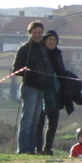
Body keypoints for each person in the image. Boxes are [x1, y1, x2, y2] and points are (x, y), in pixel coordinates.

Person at [13, 20, 56, 154]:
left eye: (40, 32)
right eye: (35, 32)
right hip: (29, 88)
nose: (37, 35)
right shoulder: (24, 49)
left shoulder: (43, 49)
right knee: (27, 120)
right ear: (30, 33)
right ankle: (23, 149)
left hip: (41, 90)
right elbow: (16, 69)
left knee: (35, 121)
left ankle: (31, 149)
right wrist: (31, 73)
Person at [35, 30, 63, 156]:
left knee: (53, 122)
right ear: (45, 40)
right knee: (39, 122)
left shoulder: (58, 54)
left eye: (54, 40)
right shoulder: (40, 53)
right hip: (41, 91)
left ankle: (48, 148)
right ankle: (38, 148)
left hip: (56, 93)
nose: (52, 42)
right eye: (50, 39)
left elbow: (62, 71)